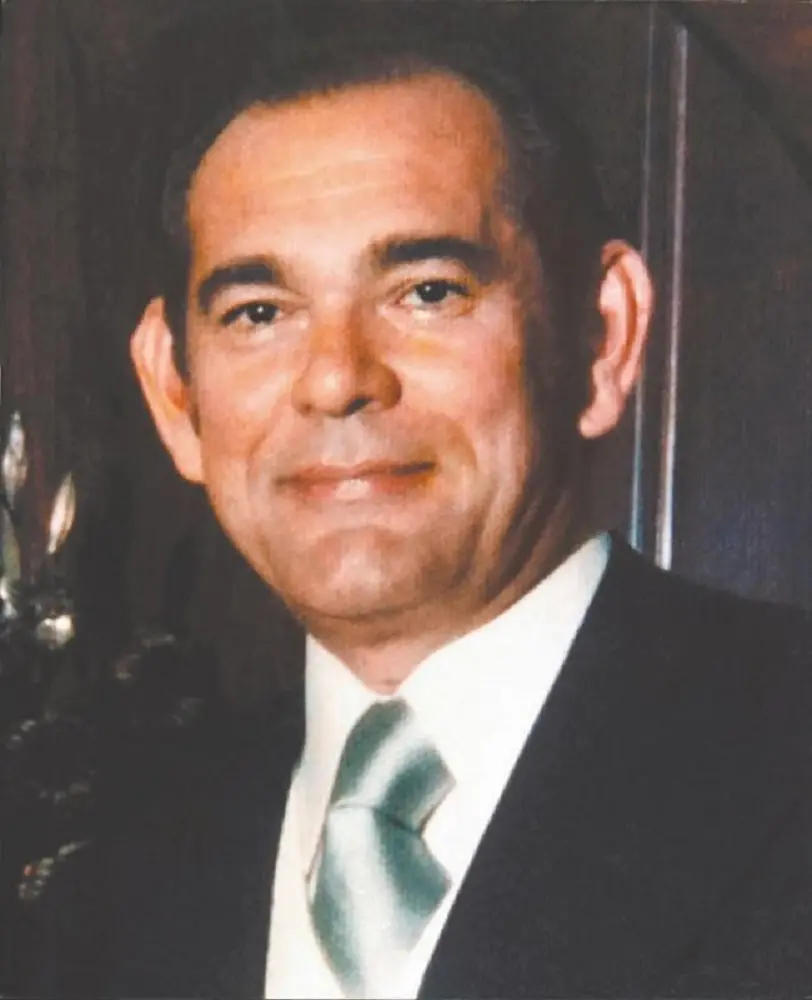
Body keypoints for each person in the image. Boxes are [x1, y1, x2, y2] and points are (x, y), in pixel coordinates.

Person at [25, 17, 812, 1000]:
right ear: (174, 393)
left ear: (601, 336)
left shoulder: (783, 758)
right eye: (258, 313)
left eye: (426, 292)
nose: (336, 380)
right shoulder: (109, 887)